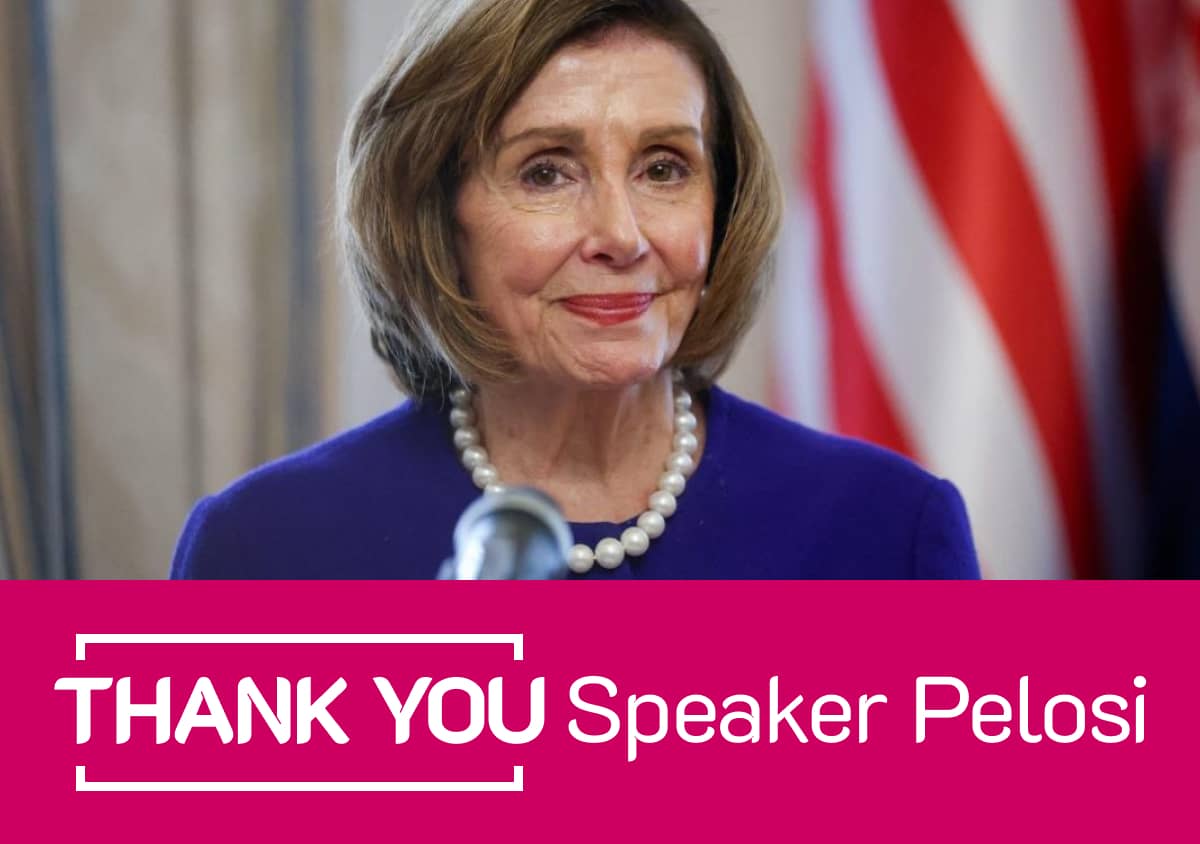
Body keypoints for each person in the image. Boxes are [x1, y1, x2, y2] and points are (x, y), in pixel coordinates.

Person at [171, 0, 980, 579]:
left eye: (664, 168)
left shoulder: (887, 531)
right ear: (435, 214)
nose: (622, 237)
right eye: (546, 171)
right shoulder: (265, 547)